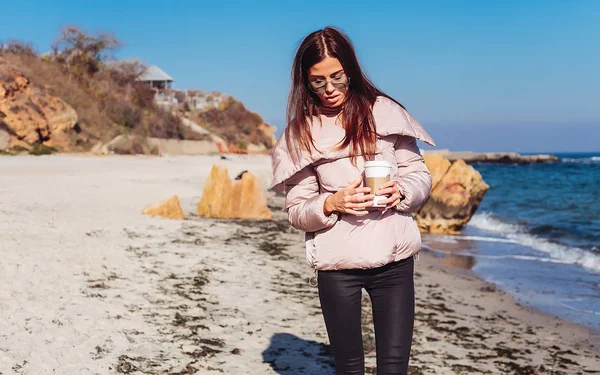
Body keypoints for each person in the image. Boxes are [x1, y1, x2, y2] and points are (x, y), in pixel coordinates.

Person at [269, 26, 435, 375]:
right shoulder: (300, 134)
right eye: (318, 81)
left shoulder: (387, 112)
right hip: (338, 266)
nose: (329, 89)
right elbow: (297, 211)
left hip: (394, 261)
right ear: (305, 81)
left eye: (337, 77)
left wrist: (402, 191)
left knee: (393, 368)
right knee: (348, 367)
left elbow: (419, 174)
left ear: (351, 70)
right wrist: (330, 204)